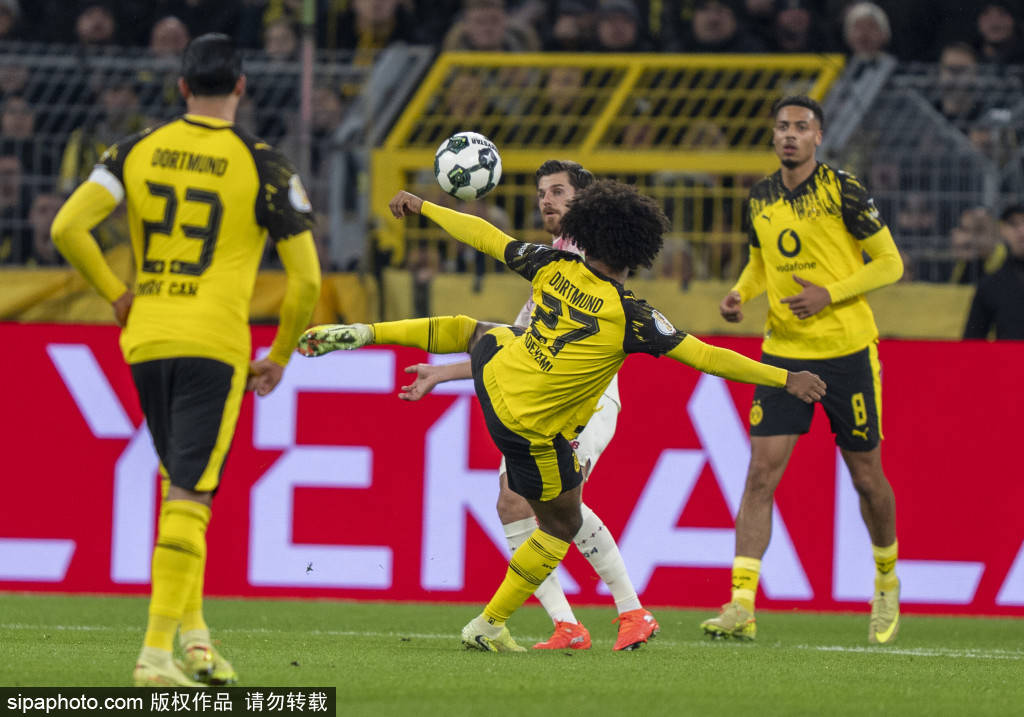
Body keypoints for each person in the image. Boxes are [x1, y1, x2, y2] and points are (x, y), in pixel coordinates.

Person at [298, 180, 826, 653]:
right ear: (639, 249)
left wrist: (426, 206)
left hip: (495, 375)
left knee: (475, 329)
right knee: (562, 523)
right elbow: (709, 357)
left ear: (585, 234)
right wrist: (785, 378)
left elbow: (485, 236)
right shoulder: (633, 317)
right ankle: (489, 624)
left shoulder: (552, 264)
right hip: (529, 428)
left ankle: (366, 333)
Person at [51, 33, 322, 686]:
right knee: (191, 494)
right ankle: (154, 654)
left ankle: (196, 639)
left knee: (180, 484)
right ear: (241, 87)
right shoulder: (263, 163)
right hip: (212, 343)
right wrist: (280, 354)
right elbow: (308, 280)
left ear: (181, 87)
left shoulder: (133, 150)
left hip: (146, 338)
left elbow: (66, 227)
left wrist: (117, 294)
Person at [396, 160, 661, 651]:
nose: (546, 201)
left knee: (562, 509)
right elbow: (521, 344)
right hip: (542, 401)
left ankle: (632, 611)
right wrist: (445, 372)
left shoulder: (586, 258)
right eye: (541, 193)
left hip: (587, 402)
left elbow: (487, 241)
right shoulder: (553, 259)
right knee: (512, 501)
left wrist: (428, 207)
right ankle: (566, 624)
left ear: (586, 202)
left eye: (558, 191)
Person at [700, 95, 904, 644]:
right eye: (782, 126)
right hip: (784, 354)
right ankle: (741, 605)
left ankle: (886, 579)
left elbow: (891, 263)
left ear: (819, 137)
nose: (790, 134)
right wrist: (740, 293)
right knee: (760, 475)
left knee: (866, 478)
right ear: (773, 136)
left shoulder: (844, 190)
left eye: (801, 127)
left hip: (846, 352)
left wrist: (829, 294)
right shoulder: (760, 197)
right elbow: (760, 263)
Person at [963, 203, 1024, 339]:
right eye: (1014, 224)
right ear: (1003, 230)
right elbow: (972, 339)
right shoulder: (991, 285)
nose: (1022, 231)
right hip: (1009, 353)